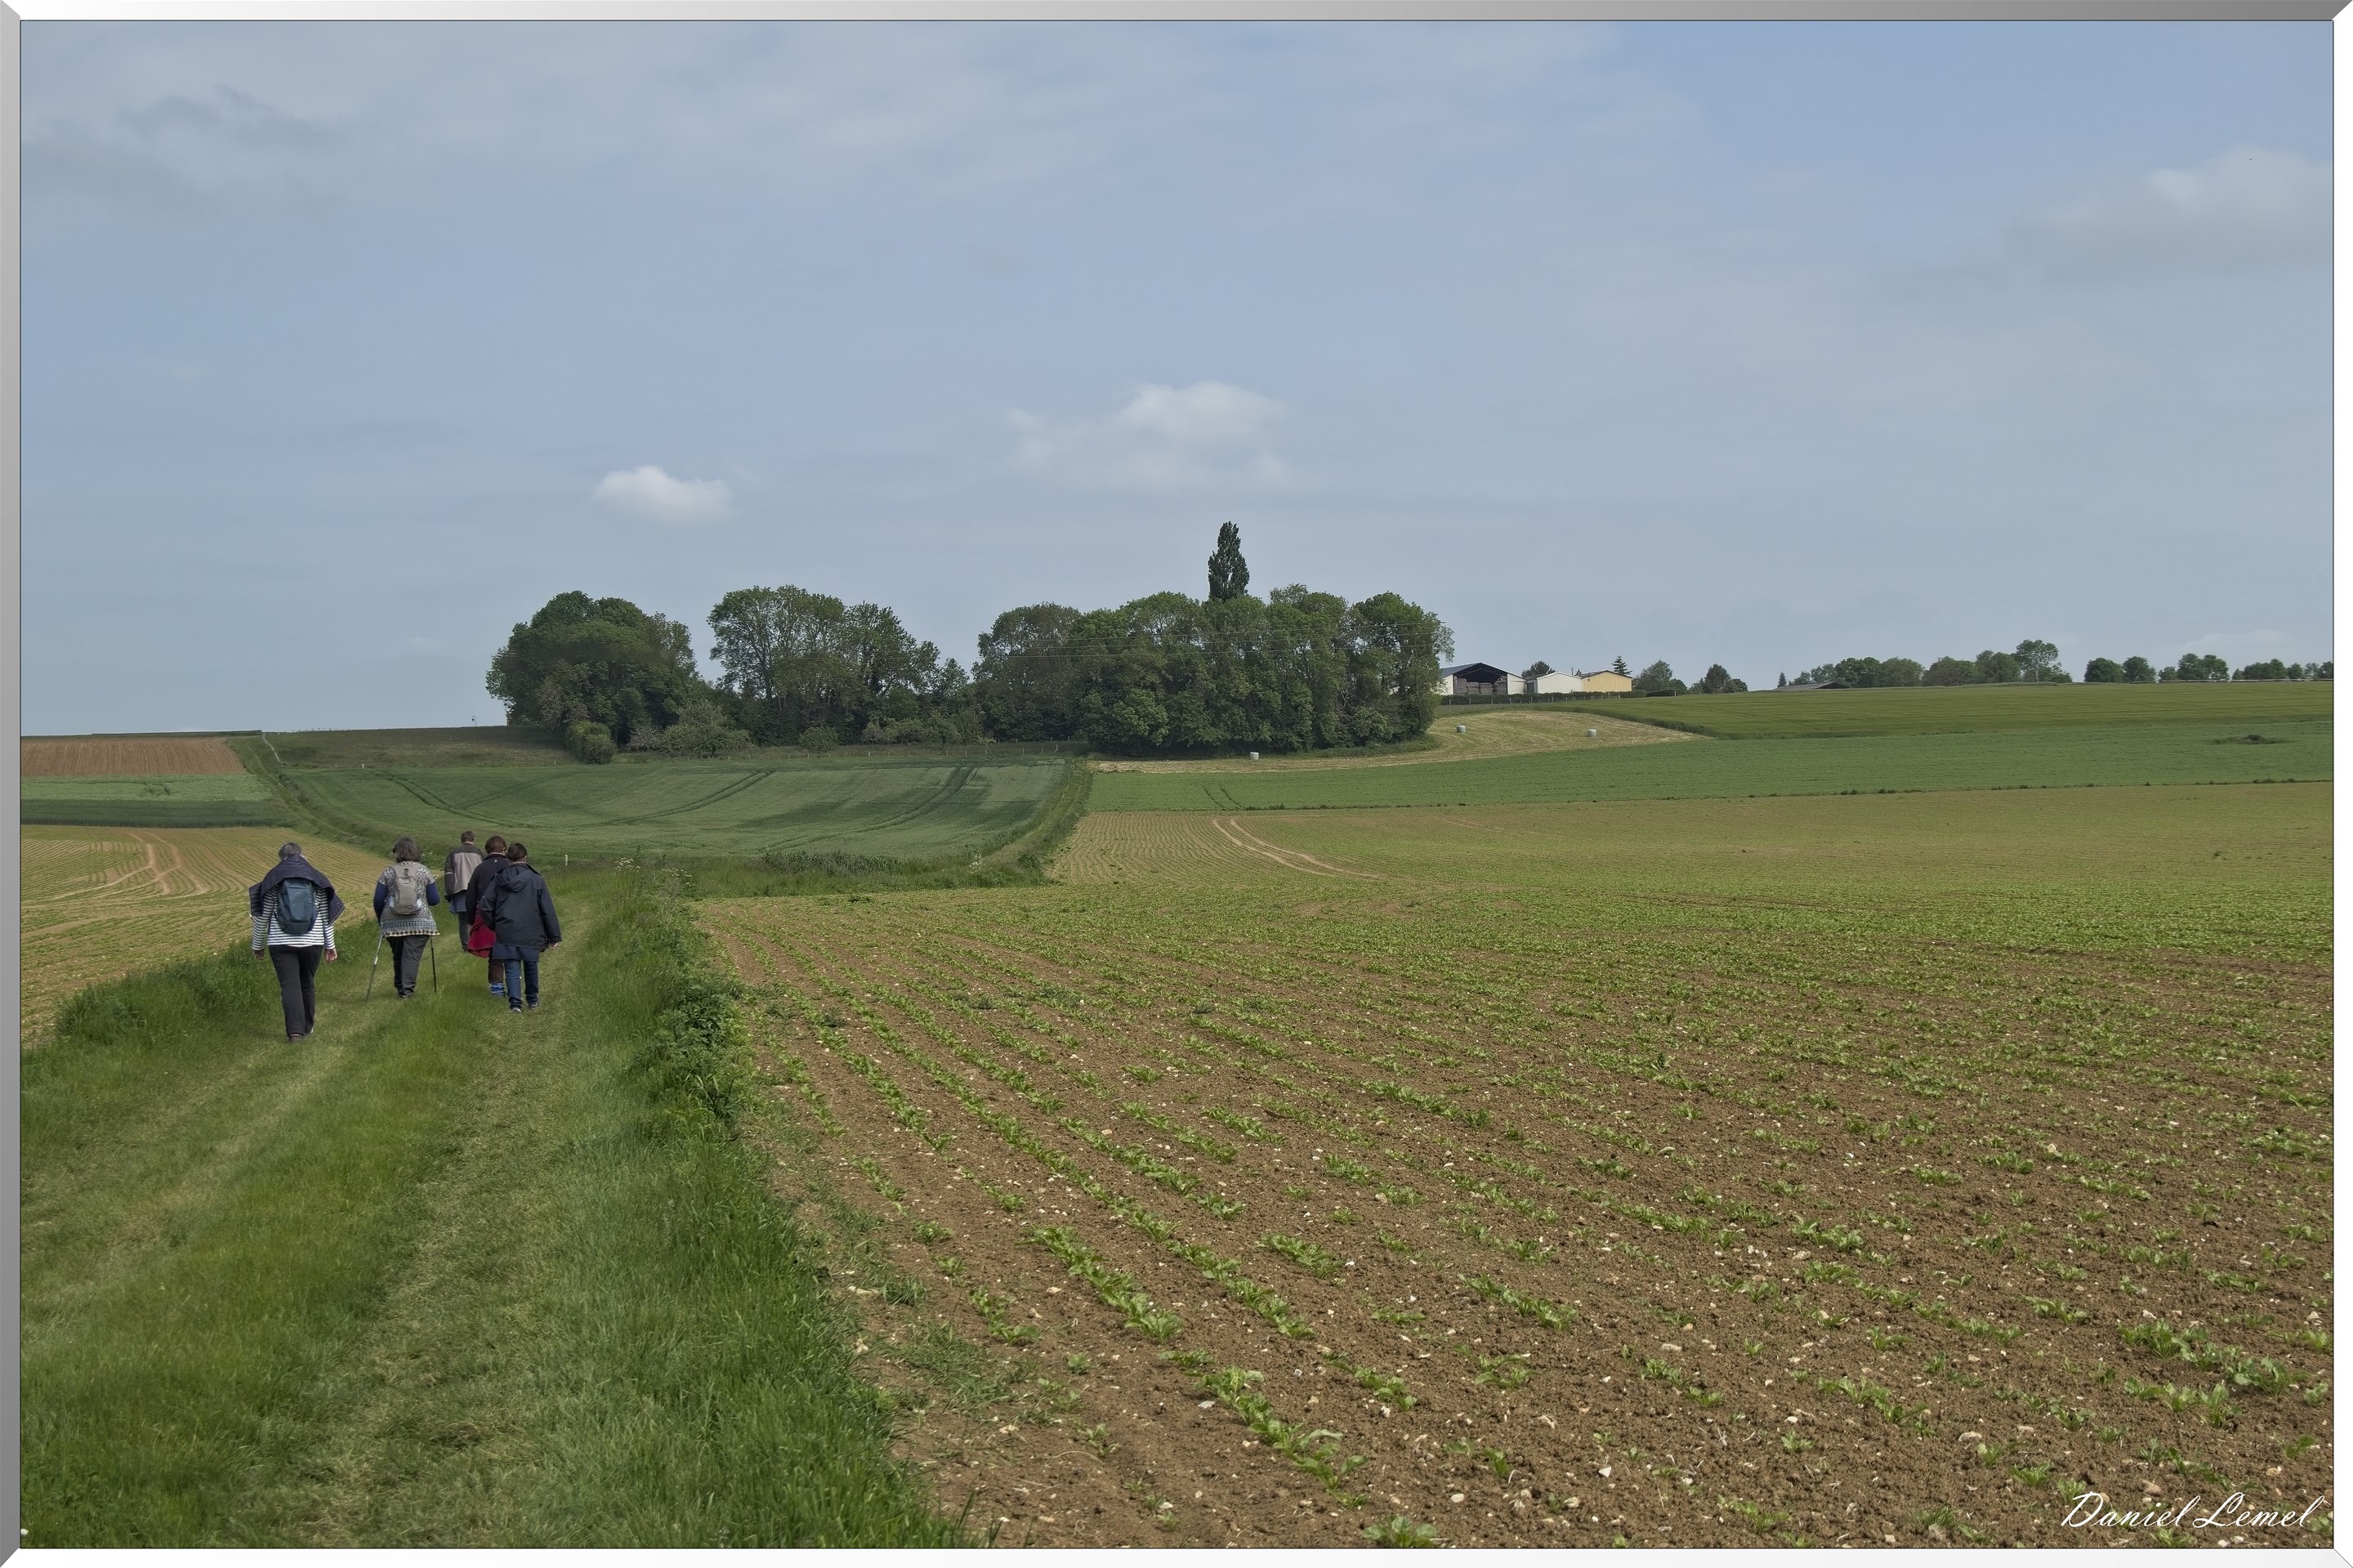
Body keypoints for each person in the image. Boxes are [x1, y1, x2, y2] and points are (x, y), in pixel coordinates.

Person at [249, 841, 342, 1040]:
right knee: (307, 983)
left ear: (280, 857)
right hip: (313, 941)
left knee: (290, 985)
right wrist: (330, 946)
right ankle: (308, 1027)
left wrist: (257, 946)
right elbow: (327, 917)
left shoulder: (273, 878)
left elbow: (262, 917)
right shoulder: (317, 879)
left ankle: (295, 1032)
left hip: (280, 943)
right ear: (302, 855)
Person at [480, 841, 561, 1013]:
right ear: (526, 857)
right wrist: (553, 937)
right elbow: (547, 909)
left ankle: (515, 1004)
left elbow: (485, 906)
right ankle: (532, 1000)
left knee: (511, 967)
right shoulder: (536, 879)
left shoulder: (499, 879)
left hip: (506, 929)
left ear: (508, 858)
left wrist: (494, 924)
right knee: (531, 965)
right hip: (531, 930)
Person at [372, 836, 443, 998]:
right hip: (420, 921)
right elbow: (434, 900)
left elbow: (378, 899)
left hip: (392, 922)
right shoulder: (424, 871)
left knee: (399, 954)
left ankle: (400, 986)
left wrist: (381, 919)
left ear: (397, 852)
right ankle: (406, 991)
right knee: (411, 955)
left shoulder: (388, 871)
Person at [466, 835, 511, 995]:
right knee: (509, 950)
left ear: (487, 850)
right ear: (504, 849)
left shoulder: (480, 869)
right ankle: (513, 986)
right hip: (510, 914)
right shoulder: (510, 866)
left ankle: (497, 988)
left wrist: (471, 920)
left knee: (494, 952)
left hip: (486, 915)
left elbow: (470, 896)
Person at [444, 831, 484, 920]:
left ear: (461, 840)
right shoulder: (479, 853)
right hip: (476, 890)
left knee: (463, 922)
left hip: (460, 890)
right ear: (474, 839)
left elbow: (449, 873)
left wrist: (449, 893)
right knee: (476, 919)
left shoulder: (453, 853)